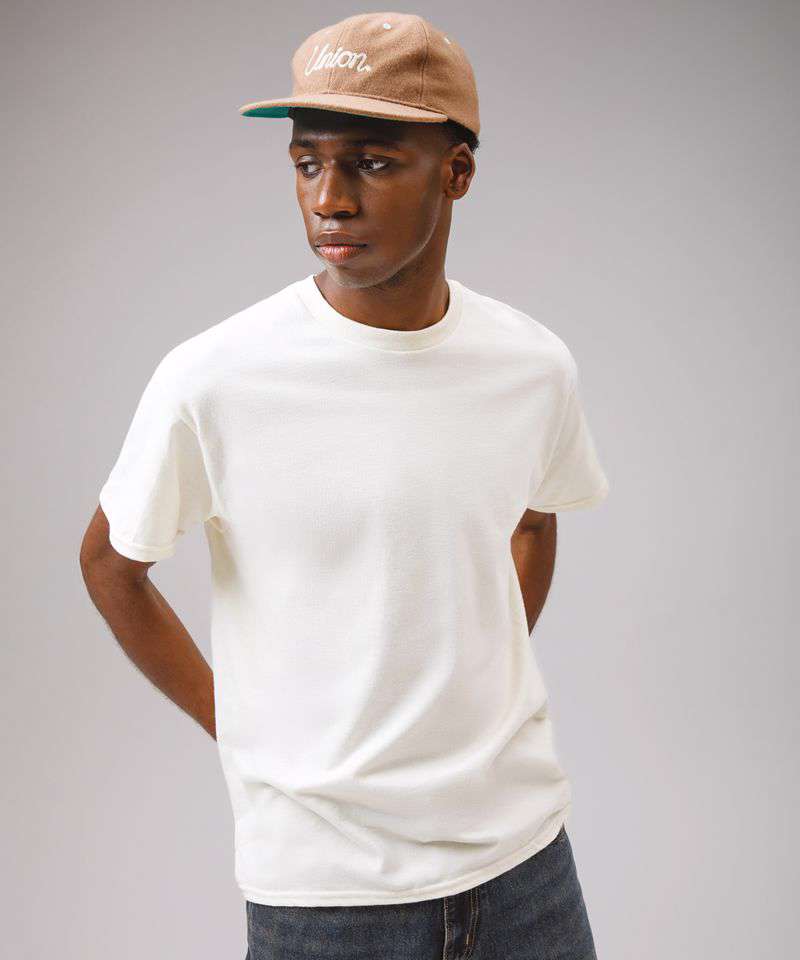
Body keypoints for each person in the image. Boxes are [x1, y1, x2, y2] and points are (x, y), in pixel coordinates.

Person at [80, 11, 609, 959]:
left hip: (524, 863)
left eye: (370, 162)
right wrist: (242, 728)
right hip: (325, 891)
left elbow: (533, 520)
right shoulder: (216, 377)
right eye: (306, 163)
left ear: (456, 172)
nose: (329, 199)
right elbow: (111, 565)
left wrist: (468, 681)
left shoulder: (531, 366)